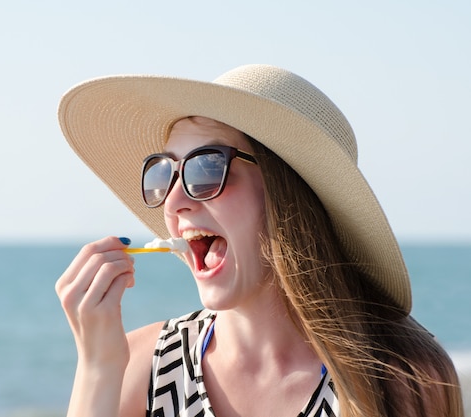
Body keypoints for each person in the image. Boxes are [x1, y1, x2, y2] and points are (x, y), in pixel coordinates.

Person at [55, 65, 463, 417]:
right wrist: (97, 368)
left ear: (289, 196)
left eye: (206, 169)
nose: (174, 201)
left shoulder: (397, 376)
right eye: (163, 173)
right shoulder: (141, 367)